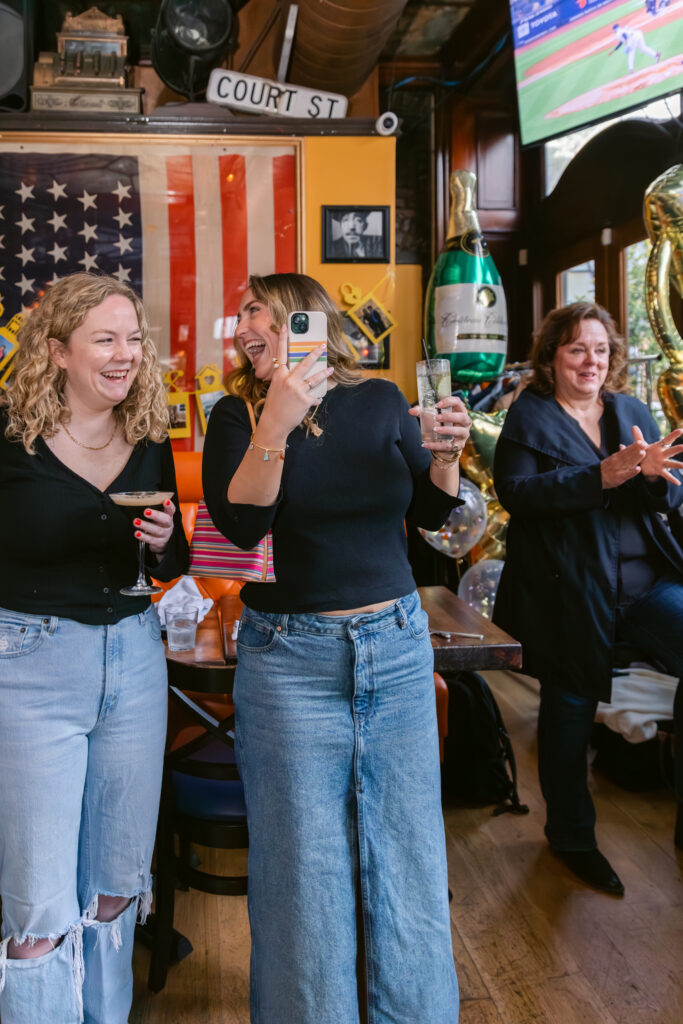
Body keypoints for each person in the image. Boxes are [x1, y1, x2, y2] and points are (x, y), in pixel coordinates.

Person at [203, 272, 468, 1022]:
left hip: (396, 645)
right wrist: (275, 426)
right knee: (301, 873)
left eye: (255, 307)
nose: (243, 323)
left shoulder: (380, 399)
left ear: (301, 318)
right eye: (241, 313)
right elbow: (241, 527)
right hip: (289, 659)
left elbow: (429, 510)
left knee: (409, 857)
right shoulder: (238, 412)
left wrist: (444, 453)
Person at [0, 273, 189, 1023]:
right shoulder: (9, 439)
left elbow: (166, 566)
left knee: (117, 882)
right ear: (57, 352)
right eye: (106, 339)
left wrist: (168, 544)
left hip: (136, 661)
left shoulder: (148, 435)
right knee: (38, 906)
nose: (126, 355)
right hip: (30, 666)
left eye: (135, 338)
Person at [493, 302, 683, 896]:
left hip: (648, 583)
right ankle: (572, 836)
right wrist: (601, 476)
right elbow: (517, 495)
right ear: (551, 358)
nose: (590, 361)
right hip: (569, 589)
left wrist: (653, 477)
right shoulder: (527, 417)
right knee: (568, 709)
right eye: (577, 348)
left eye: (600, 349)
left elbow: (667, 497)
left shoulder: (629, 410)